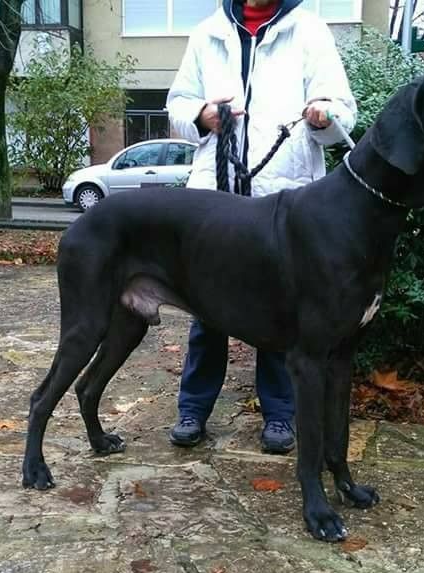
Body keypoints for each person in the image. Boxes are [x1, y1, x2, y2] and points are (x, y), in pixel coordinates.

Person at [166, 0, 357, 453]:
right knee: (207, 307)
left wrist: (323, 114)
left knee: (282, 307)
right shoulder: (207, 33)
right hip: (215, 196)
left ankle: (279, 415)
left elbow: (344, 114)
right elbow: (177, 106)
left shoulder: (309, 31)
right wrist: (201, 116)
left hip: (286, 198)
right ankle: (193, 409)